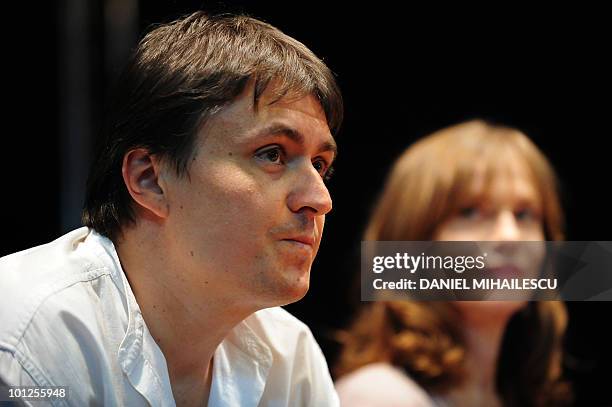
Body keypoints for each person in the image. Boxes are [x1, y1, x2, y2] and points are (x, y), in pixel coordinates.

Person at [0, 12, 343, 406]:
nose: (320, 200)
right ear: (150, 179)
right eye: (272, 154)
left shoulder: (290, 354)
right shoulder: (25, 337)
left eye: (320, 165)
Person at [334, 120, 570, 406]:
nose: (510, 236)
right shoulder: (378, 395)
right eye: (471, 213)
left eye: (524, 214)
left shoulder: (522, 398)